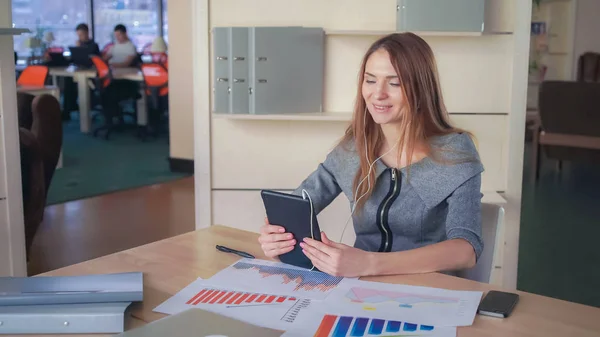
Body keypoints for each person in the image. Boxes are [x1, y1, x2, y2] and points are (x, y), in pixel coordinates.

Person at [258, 33, 485, 278]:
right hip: (359, 290)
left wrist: (369, 263)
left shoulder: (455, 152)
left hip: (427, 291)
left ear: (421, 87)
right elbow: (297, 206)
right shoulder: (354, 147)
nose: (378, 94)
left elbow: (466, 249)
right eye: (370, 80)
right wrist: (276, 236)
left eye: (394, 83)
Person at [62, 23, 100, 120]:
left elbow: (93, 60)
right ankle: (68, 110)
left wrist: (80, 48)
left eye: (81, 34)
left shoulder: (93, 45)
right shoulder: (78, 45)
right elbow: (75, 60)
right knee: (68, 80)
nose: (80, 37)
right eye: (78, 35)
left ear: (87, 33)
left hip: (91, 75)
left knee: (77, 83)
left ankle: (82, 110)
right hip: (79, 71)